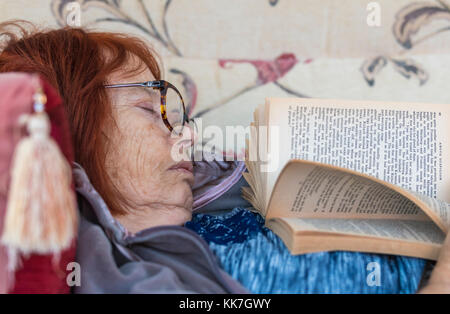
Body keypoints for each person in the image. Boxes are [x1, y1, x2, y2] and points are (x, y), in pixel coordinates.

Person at [0, 21, 449, 293]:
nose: (185, 135)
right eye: (149, 110)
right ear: (72, 125)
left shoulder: (211, 188)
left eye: (172, 113)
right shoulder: (116, 275)